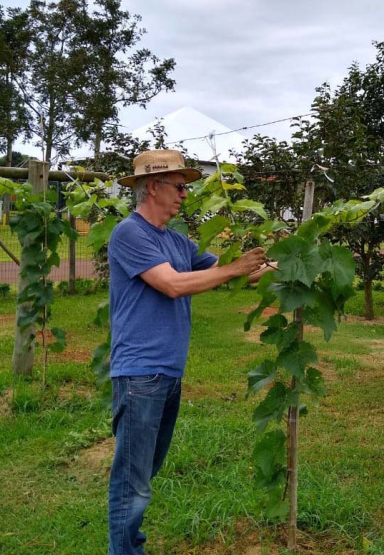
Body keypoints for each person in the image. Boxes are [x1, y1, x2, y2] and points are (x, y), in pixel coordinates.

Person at [107, 149, 267, 555]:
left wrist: (291, 263)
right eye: (179, 187)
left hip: (167, 372)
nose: (184, 195)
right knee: (132, 483)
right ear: (153, 187)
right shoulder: (130, 233)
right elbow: (172, 285)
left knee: (145, 473)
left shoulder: (177, 241)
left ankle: (130, 546)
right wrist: (234, 268)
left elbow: (234, 272)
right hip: (139, 373)